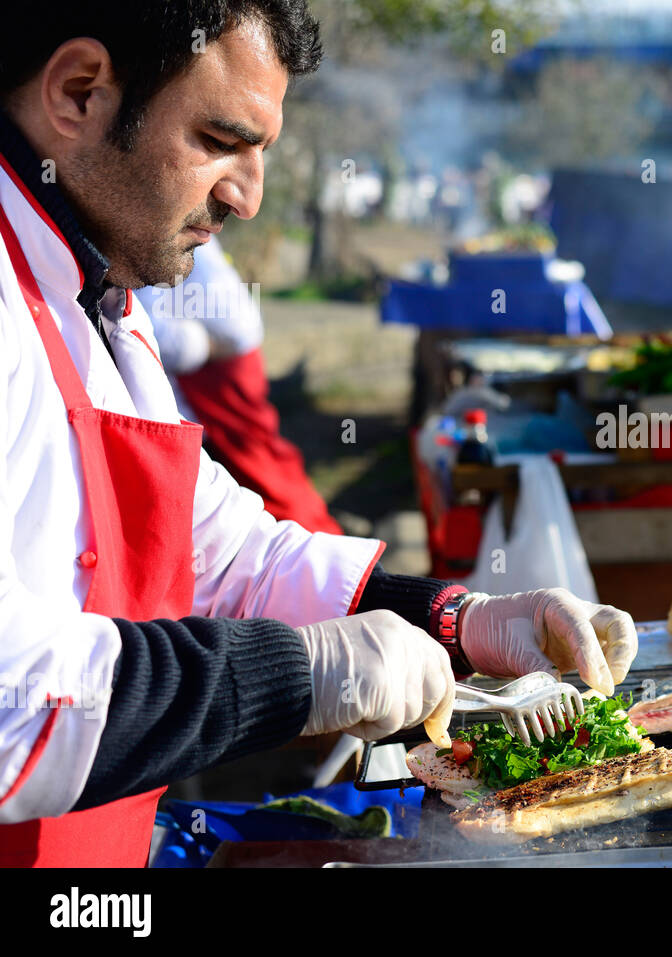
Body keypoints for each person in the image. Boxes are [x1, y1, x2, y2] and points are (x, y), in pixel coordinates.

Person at [0, 2, 636, 867]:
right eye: (221, 139)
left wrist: (460, 618)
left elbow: (222, 554)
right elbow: (13, 699)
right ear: (79, 93)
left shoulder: (95, 287)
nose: (249, 196)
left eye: (262, 151)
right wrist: (302, 675)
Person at [135, 236, 342, 533]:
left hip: (219, 364)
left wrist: (205, 347)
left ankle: (313, 539)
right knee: (257, 456)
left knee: (253, 461)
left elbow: (157, 332)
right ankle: (316, 536)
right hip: (227, 355)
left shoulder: (159, 231)